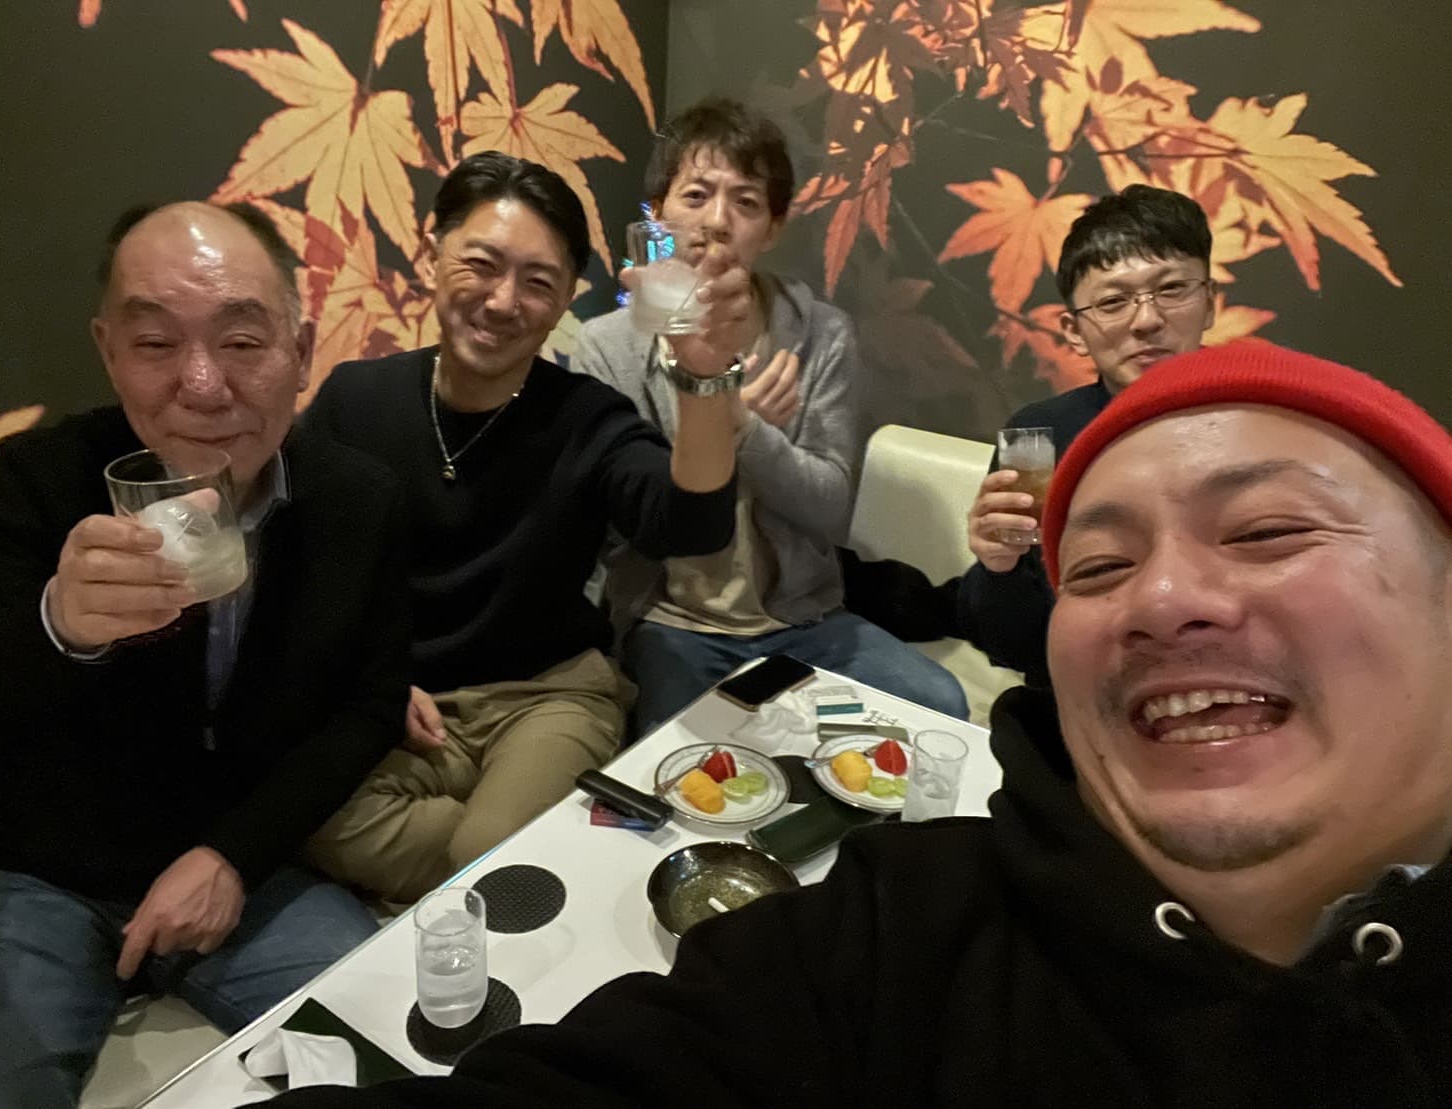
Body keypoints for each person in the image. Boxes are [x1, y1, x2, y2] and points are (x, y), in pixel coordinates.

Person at [271, 340, 1452, 1107]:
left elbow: (796, 508)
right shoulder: (896, 930)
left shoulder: (810, 337)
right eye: (1099, 565)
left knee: (923, 696)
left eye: (1267, 531)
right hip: (662, 634)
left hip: (796, 616)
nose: (1161, 595)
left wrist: (729, 412)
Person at [0, 202, 409, 1108]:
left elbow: (369, 704)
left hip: (242, 866)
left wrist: (232, 855)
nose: (203, 386)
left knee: (386, 1039)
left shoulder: (357, 500)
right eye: (156, 344)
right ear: (108, 351)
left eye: (242, 342)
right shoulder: (28, 481)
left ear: (301, 348)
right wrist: (60, 623)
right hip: (37, 872)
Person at [303, 151, 742, 903]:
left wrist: (704, 376)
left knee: (484, 854)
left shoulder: (588, 418)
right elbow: (305, 559)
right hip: (406, 702)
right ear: (433, 254)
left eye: (538, 282)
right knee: (313, 814)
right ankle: (543, 850)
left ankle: (510, 850)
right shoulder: (355, 399)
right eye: (481, 264)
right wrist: (366, 677)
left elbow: (693, 524)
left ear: (567, 297)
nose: (504, 302)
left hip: (548, 695)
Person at [575, 97, 971, 734]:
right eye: (696, 195)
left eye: (746, 202)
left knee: (939, 708)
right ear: (659, 212)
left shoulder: (820, 336)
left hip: (803, 621)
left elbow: (829, 507)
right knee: (684, 753)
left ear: (773, 227)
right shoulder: (607, 348)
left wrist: (745, 427)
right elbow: (620, 525)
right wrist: (717, 415)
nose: (717, 221)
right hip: (674, 623)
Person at [844, 184, 1216, 685]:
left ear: (1210, 303)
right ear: (1074, 331)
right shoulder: (1041, 437)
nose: (1147, 320)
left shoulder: (1269, 429)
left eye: (1171, 289)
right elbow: (1015, 643)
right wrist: (999, 565)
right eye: (1113, 301)